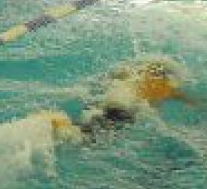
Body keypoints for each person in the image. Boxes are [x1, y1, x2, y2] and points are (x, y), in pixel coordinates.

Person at [30, 59, 191, 144]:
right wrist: (196, 103)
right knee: (87, 139)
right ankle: (60, 125)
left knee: (90, 123)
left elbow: (108, 80)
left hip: (107, 103)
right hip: (124, 111)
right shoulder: (164, 86)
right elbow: (186, 99)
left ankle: (59, 123)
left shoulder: (129, 74)